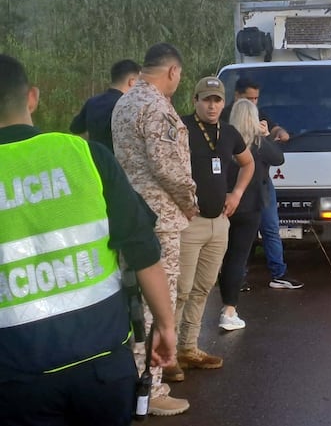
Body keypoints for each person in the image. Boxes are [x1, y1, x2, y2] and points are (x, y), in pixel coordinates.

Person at [0, 54, 177, 426]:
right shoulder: (86, 156)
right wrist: (165, 324)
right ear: (32, 97)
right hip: (102, 365)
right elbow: (142, 249)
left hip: (15, 375)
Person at [112, 42, 198, 416]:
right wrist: (191, 201)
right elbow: (167, 167)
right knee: (153, 305)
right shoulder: (157, 107)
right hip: (159, 219)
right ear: (173, 72)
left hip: (129, 214)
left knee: (132, 304)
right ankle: (151, 390)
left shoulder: (125, 102)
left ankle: (131, 382)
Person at [166, 76, 254, 381]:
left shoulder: (229, 133)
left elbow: (248, 163)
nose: (212, 106)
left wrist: (237, 194)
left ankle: (189, 348)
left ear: (224, 102)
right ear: (195, 101)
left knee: (203, 288)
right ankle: (167, 355)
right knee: (181, 290)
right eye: (206, 100)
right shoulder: (181, 128)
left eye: (217, 100)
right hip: (189, 223)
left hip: (219, 223)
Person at [224, 77, 303, 290]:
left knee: (270, 228)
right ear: (237, 96)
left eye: (257, 98)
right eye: (250, 99)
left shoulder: (259, 133)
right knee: (237, 234)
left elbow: (277, 154)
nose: (254, 103)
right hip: (237, 188)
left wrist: (274, 134)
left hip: (262, 185)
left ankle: (278, 273)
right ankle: (237, 276)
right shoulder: (225, 121)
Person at [218, 99, 285, 330]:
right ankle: (229, 310)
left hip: (225, 204)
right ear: (254, 119)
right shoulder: (258, 143)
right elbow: (279, 158)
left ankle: (217, 305)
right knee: (238, 257)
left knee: (225, 258)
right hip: (251, 205)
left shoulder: (224, 138)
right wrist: (265, 135)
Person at [69, 59, 141, 152]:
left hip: (94, 160)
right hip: (116, 163)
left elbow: (75, 128)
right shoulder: (127, 106)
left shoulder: (92, 102)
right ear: (132, 82)